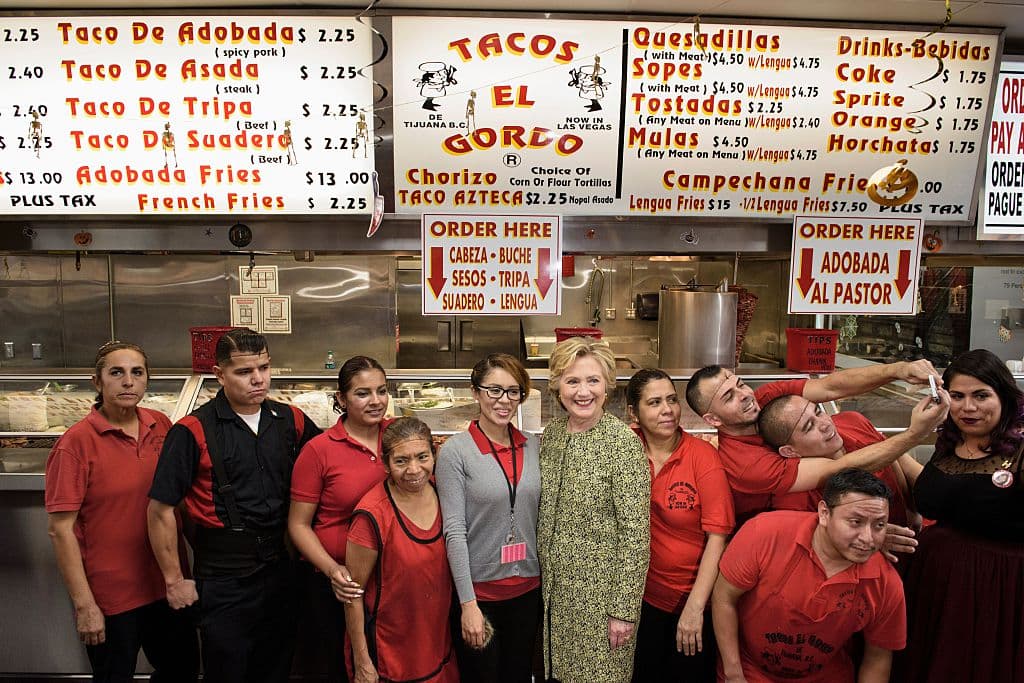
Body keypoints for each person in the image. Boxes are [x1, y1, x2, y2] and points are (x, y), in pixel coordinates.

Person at [147, 329, 321, 683]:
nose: (258, 379)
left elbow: (329, 462)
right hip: (224, 575)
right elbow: (160, 509)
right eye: (244, 372)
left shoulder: (292, 421)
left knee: (276, 664)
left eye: (264, 368)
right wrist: (174, 579)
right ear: (219, 374)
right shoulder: (192, 430)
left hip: (282, 567)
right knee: (227, 668)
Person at [45, 341, 198, 683]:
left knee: (181, 671)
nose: (128, 381)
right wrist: (85, 606)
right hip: (113, 598)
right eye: (117, 373)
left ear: (146, 381)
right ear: (97, 382)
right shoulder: (75, 444)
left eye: (137, 373)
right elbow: (61, 531)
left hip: (168, 587)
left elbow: (180, 503)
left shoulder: (161, 425)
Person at [684, 361, 947, 522]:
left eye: (740, 384)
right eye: (728, 397)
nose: (744, 395)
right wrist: (915, 434)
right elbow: (837, 468)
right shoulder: (745, 465)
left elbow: (832, 387)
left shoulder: (766, 399)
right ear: (713, 419)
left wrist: (898, 369)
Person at [898, 349, 1024, 682]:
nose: (968, 408)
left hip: (1001, 587)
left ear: (1005, 396)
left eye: (981, 396)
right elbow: (943, 491)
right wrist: (889, 448)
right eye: (957, 396)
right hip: (937, 579)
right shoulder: (948, 442)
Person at [712, 469, 907, 683]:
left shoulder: (886, 583)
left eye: (879, 525)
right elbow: (724, 598)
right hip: (751, 670)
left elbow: (878, 657)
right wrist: (734, 674)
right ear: (824, 513)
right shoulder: (764, 533)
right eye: (855, 522)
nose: (868, 538)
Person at [538, 336, 650, 683]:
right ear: (557, 386)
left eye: (592, 381)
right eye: (572, 381)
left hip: (601, 603)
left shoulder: (623, 443)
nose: (582, 391)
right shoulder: (553, 433)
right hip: (557, 597)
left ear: (607, 386)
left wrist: (623, 611)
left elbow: (636, 536)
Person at [437, 353, 542, 683]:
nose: (504, 400)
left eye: (513, 391)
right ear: (476, 392)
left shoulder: (533, 446)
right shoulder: (456, 452)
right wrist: (468, 604)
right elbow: (454, 530)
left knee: (518, 674)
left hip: (528, 592)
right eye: (494, 390)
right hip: (481, 597)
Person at [626, 369, 734, 683]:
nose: (667, 410)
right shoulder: (625, 450)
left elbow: (718, 537)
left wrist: (695, 608)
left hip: (690, 600)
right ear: (633, 413)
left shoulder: (702, 457)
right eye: (655, 402)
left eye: (672, 400)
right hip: (641, 600)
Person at [288, 356, 392, 683]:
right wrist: (334, 572)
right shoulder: (319, 450)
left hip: (391, 578)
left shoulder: (397, 435)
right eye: (363, 393)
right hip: (338, 584)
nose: (376, 401)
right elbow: (298, 525)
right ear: (342, 399)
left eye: (382, 391)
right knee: (345, 666)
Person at [344, 417, 459, 683]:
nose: (414, 469)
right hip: (389, 655)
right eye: (401, 461)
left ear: (434, 455)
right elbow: (353, 595)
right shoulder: (371, 515)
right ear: (385, 463)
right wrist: (362, 661)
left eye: (422, 457)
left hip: (438, 645)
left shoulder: (445, 493)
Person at [757, 395, 923, 531]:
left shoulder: (853, 421)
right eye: (809, 426)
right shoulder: (793, 499)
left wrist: (912, 510)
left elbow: (893, 456)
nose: (825, 424)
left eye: (818, 412)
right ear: (790, 451)